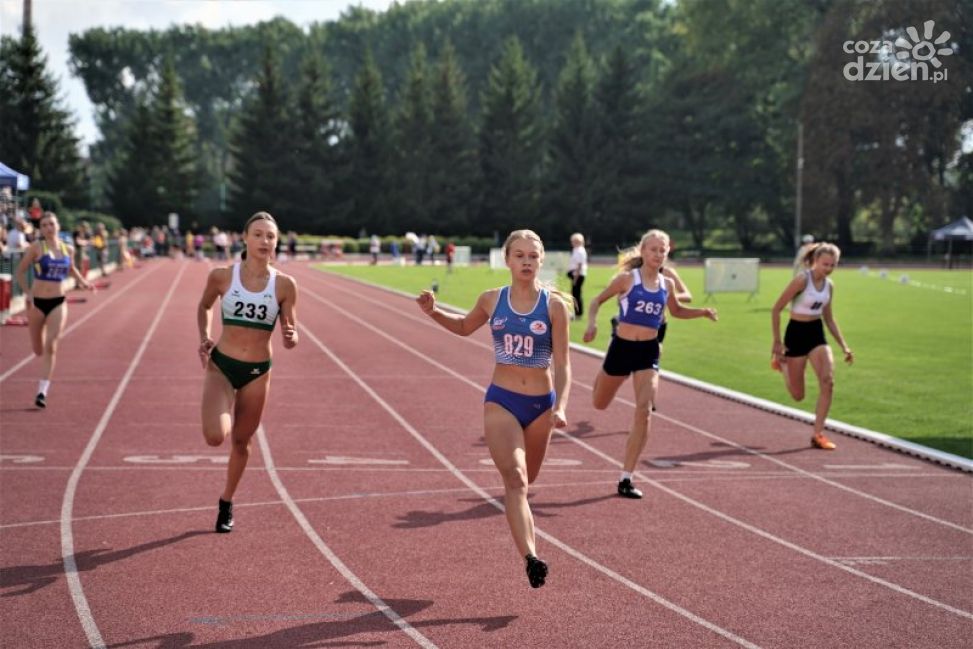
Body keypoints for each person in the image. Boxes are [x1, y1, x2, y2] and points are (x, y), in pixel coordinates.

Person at [416, 229, 572, 589]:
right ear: (507, 259)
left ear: (542, 260)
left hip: (540, 405)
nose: (526, 262)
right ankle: (531, 557)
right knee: (515, 479)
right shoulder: (491, 299)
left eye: (533, 256)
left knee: (527, 480)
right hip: (501, 399)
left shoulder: (553, 307)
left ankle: (528, 547)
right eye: (519, 255)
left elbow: (563, 364)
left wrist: (561, 405)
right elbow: (463, 326)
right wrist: (433, 311)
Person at [583, 230, 717, 499]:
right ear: (643, 252)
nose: (658, 254)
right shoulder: (626, 280)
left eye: (662, 250)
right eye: (653, 249)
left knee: (644, 410)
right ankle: (605, 365)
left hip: (648, 351)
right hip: (621, 349)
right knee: (599, 402)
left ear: (667, 253)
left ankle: (626, 477)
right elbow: (597, 300)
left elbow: (676, 311)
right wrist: (592, 323)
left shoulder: (667, 284)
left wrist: (702, 312)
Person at [197, 211, 299, 533]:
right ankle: (221, 408)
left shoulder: (284, 285)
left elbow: (290, 329)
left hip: (257, 371)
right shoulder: (222, 276)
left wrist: (291, 337)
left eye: (270, 236)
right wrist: (204, 336)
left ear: (276, 242)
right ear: (244, 238)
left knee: (242, 442)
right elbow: (204, 306)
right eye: (258, 234)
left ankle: (226, 501)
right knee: (216, 437)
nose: (264, 241)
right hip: (223, 367)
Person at [771, 242, 853, 450]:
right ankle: (783, 365)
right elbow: (776, 309)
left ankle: (818, 434)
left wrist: (844, 346)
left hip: (816, 333)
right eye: (825, 264)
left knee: (828, 381)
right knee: (798, 396)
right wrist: (777, 342)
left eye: (833, 265)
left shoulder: (829, 285)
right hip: (796, 333)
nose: (828, 269)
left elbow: (829, 318)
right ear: (816, 261)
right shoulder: (801, 280)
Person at [14, 212, 93, 408]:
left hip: (58, 301)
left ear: (58, 226)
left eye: (52, 224)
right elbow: (20, 271)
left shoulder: (68, 249)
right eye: (45, 225)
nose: (49, 227)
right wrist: (27, 293)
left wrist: (84, 282)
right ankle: (38, 343)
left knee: (51, 345)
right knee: (38, 349)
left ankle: (42, 392)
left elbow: (71, 269)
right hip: (37, 303)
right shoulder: (36, 248)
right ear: (41, 229)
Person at [567, 233, 587, 317]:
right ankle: (576, 312)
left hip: (577, 275)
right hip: (575, 274)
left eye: (573, 241)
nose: (572, 243)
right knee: (575, 294)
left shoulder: (580, 251)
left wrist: (575, 278)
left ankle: (578, 313)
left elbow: (579, 265)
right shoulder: (577, 250)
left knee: (576, 295)